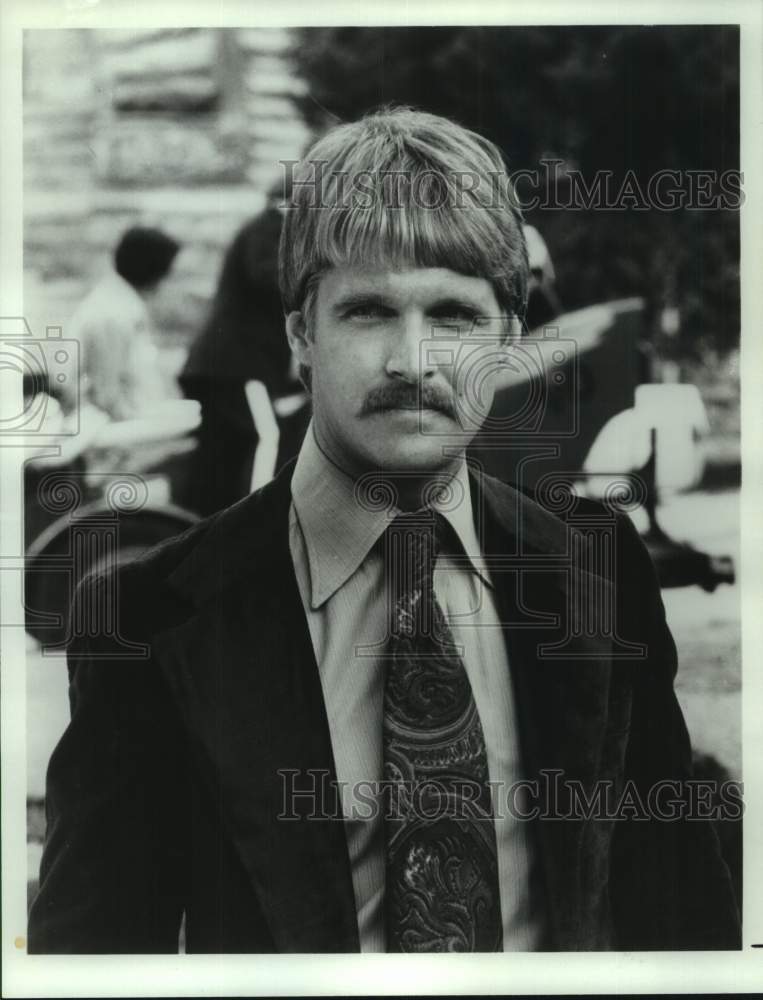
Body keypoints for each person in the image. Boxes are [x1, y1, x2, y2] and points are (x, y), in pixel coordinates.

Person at [28, 108, 740, 954]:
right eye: (368, 311)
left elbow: (678, 912)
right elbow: (96, 955)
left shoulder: (596, 567)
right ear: (300, 330)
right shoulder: (149, 616)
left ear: (509, 336)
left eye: (453, 313)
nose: (413, 360)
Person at [179, 208, 310, 516]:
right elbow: (267, 275)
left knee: (223, 449)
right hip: (239, 364)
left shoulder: (264, 226)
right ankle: (258, 523)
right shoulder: (273, 224)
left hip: (223, 365)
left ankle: (199, 524)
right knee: (269, 435)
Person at [70, 226, 181, 421]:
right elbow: (107, 397)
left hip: (126, 418)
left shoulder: (117, 302)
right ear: (155, 273)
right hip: (111, 430)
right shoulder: (114, 315)